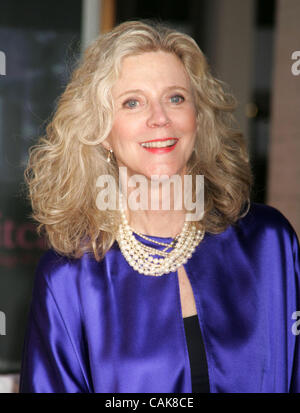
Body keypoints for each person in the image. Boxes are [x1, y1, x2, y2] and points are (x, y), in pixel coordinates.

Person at [19, 20, 300, 393]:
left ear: (197, 118)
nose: (160, 118)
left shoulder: (269, 243)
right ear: (102, 131)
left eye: (175, 98)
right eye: (132, 102)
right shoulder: (69, 277)